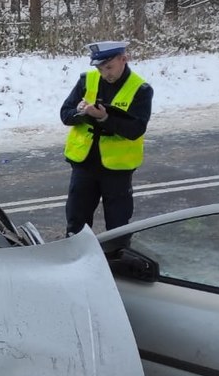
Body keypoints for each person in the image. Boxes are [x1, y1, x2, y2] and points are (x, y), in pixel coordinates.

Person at [60, 40, 153, 235]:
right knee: (76, 223)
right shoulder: (87, 80)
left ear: (124, 59)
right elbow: (65, 114)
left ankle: (117, 261)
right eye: (101, 68)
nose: (105, 74)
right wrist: (78, 112)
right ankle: (76, 260)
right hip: (84, 165)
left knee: (118, 227)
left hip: (117, 170)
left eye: (109, 67)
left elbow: (136, 129)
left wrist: (104, 118)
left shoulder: (140, 89)